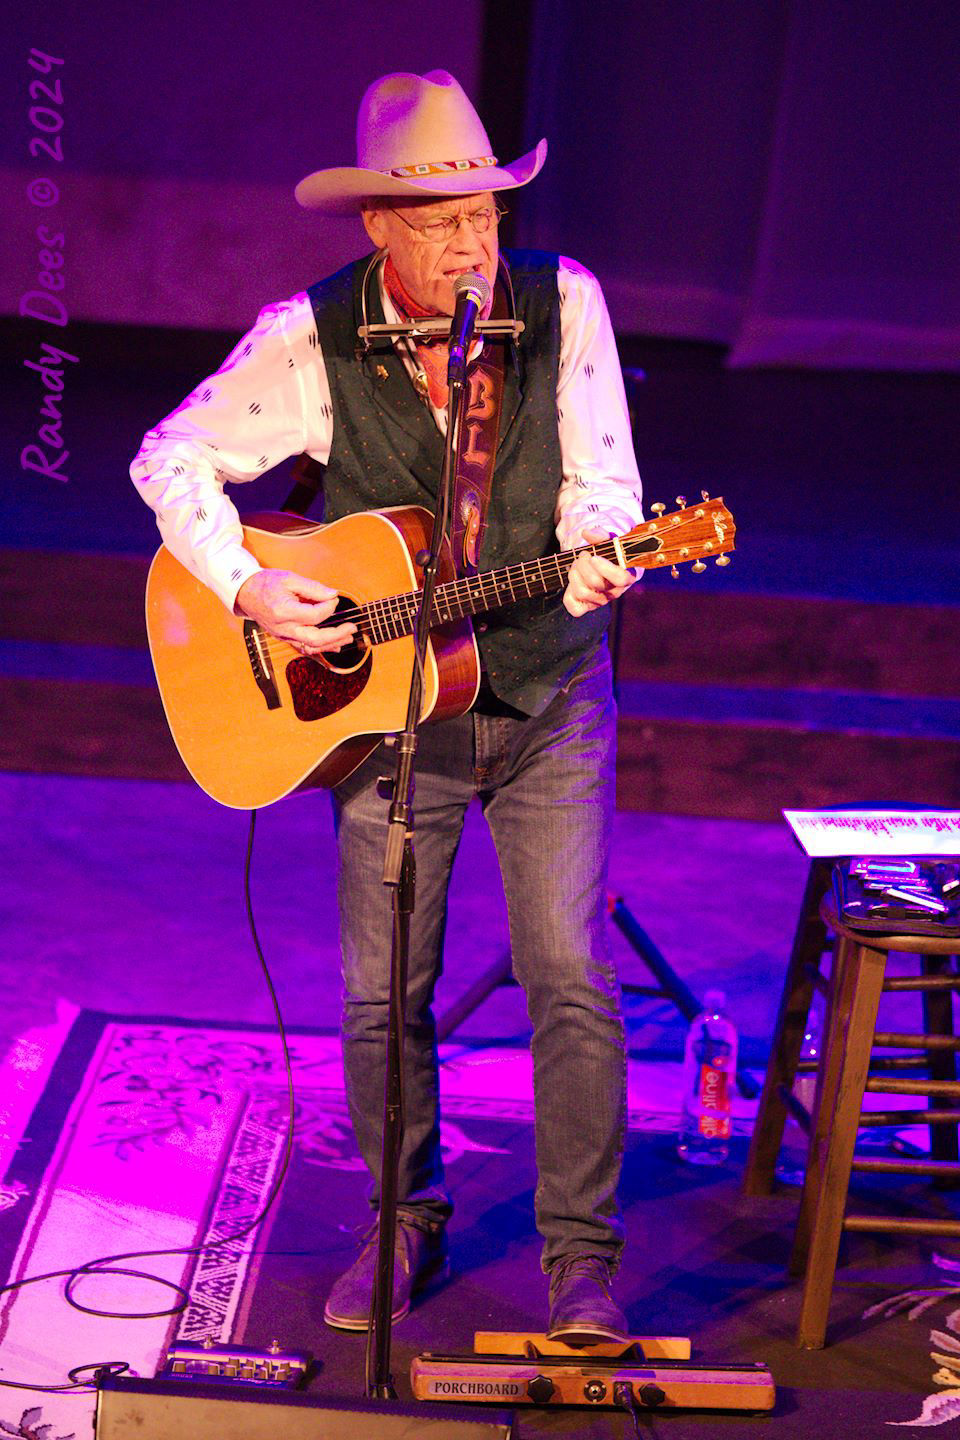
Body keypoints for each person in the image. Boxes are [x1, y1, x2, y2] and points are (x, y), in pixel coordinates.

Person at [131, 69, 643, 1343]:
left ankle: (580, 1259)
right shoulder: (309, 336)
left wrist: (600, 547)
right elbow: (170, 455)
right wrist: (248, 585)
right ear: (378, 229)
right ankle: (401, 1220)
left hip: (543, 698)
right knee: (380, 992)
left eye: (485, 213)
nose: (476, 242)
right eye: (444, 222)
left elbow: (603, 479)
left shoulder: (561, 303)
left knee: (568, 971)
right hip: (392, 724)